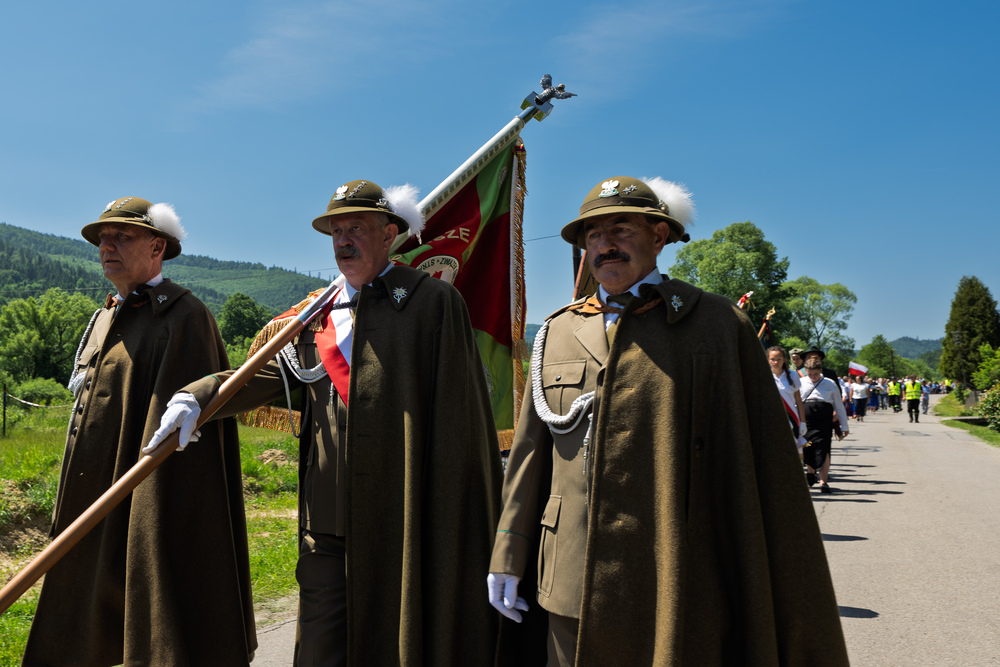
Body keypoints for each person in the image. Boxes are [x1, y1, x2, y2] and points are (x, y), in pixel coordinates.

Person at [487, 176, 848, 666]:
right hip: (570, 570)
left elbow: (761, 465)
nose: (605, 244)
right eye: (594, 234)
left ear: (659, 236)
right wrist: (508, 554)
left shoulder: (717, 326)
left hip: (678, 573)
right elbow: (530, 456)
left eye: (621, 229)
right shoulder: (557, 331)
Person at [149, 180, 503, 667]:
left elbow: (459, 416)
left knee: (397, 646)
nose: (343, 240)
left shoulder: (430, 303)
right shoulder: (316, 313)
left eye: (357, 227)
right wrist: (197, 397)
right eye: (336, 231)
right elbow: (266, 375)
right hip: (328, 523)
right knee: (319, 652)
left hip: (403, 519)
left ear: (390, 234)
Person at [23, 197, 256, 666]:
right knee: (87, 610)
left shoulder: (184, 316)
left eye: (121, 237)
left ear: (157, 247)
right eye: (102, 239)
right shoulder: (105, 316)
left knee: (149, 608)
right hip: (93, 489)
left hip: (149, 496)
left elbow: (186, 437)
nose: (107, 246)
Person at [800, 346, 850, 493]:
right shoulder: (801, 382)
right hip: (806, 421)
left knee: (823, 449)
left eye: (815, 374)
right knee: (808, 447)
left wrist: (844, 426)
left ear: (820, 371)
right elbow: (796, 403)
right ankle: (810, 471)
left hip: (824, 421)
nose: (813, 377)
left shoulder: (829, 383)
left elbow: (839, 406)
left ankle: (824, 482)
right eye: (810, 374)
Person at [767, 345, 807, 456]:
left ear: (784, 360)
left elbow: (798, 401)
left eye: (779, 359)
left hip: (791, 418)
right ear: (768, 360)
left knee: (792, 452)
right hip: (771, 419)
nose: (776, 362)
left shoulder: (793, 375)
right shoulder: (764, 376)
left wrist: (803, 422)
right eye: (772, 359)